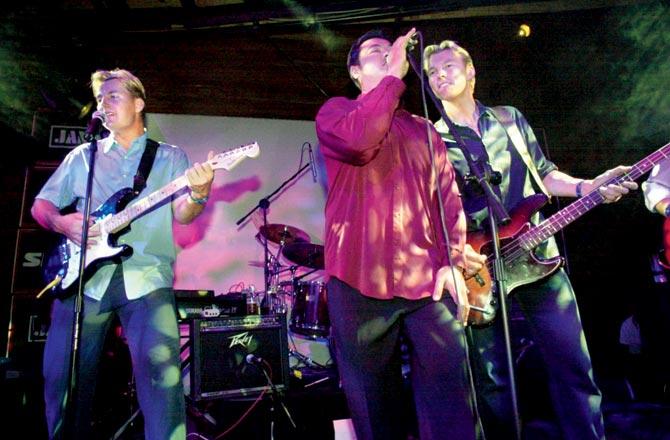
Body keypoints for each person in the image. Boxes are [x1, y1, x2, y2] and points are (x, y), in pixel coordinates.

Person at [423, 40, 637, 439]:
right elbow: (435, 213)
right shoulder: (432, 140)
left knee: (573, 365)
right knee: (492, 381)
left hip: (539, 256)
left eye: (448, 66)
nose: (439, 76)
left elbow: (545, 175)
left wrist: (589, 185)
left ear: (471, 73)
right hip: (479, 267)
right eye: (432, 72)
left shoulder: (509, 119)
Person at [31, 68, 214, 439]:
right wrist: (64, 224)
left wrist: (199, 192)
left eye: (113, 96)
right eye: (101, 99)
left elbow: (183, 213)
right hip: (83, 282)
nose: (104, 104)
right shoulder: (84, 156)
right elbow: (41, 206)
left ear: (139, 103)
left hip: (145, 278)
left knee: (163, 382)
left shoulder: (169, 157)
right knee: (61, 382)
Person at [315, 29, 477, 440]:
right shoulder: (336, 112)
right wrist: (390, 79)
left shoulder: (425, 130)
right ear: (355, 73)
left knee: (453, 398)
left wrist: (453, 262)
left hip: (427, 280)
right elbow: (361, 141)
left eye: (390, 51)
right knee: (375, 409)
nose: (386, 55)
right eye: (374, 53)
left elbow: (448, 202)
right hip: (357, 280)